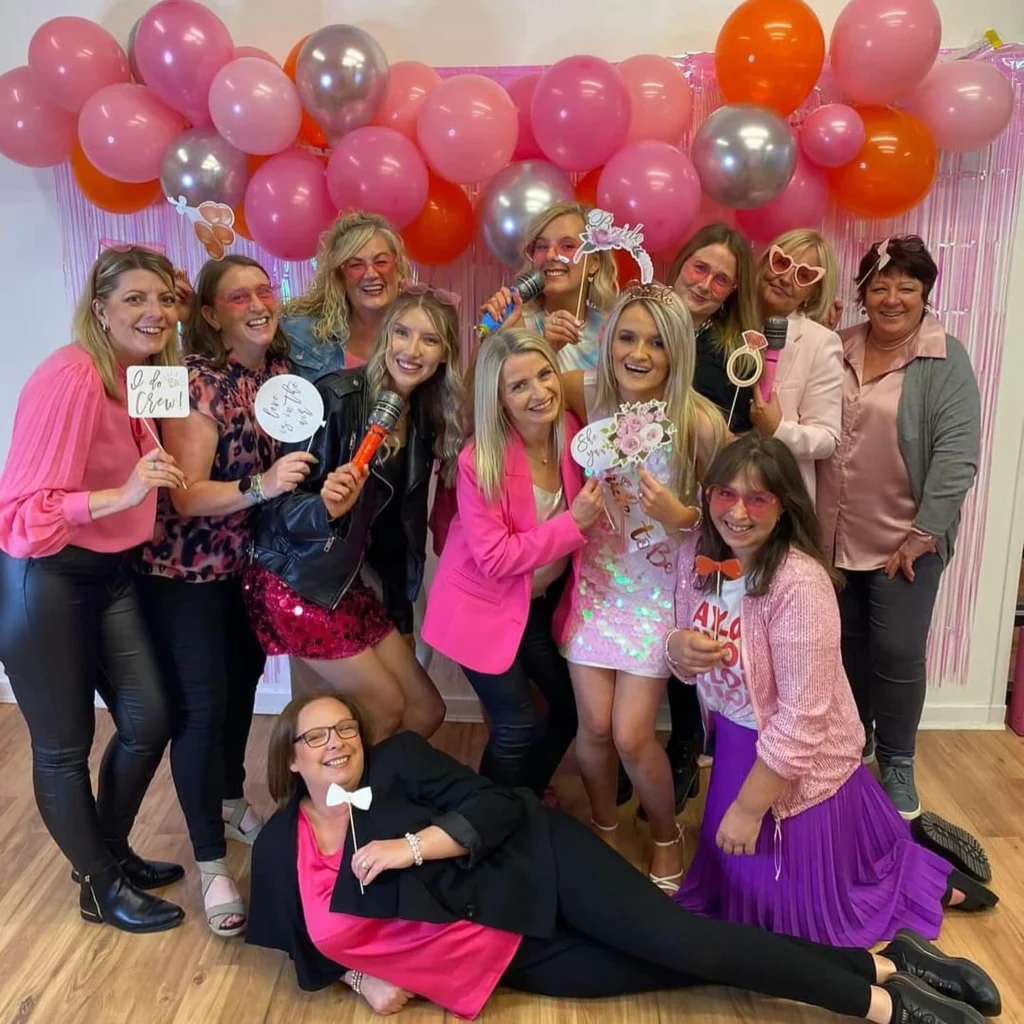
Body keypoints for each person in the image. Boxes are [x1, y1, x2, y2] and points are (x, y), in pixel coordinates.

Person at [246, 691, 1000, 1024]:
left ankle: (885, 1004)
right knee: (690, 965)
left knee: (692, 941)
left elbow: (501, 807)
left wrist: (410, 847)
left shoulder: (399, 762)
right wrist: (359, 977)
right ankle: (885, 961)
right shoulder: (283, 847)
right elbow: (293, 937)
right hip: (507, 962)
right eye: (318, 736)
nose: (338, 742)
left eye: (345, 727)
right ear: (292, 756)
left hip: (540, 868)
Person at [666, 434, 996, 945]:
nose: (737, 512)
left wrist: (749, 808)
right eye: (724, 494)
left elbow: (802, 719)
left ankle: (932, 883)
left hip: (793, 755)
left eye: (757, 498)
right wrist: (677, 647)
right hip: (734, 742)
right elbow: (683, 653)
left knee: (796, 921)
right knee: (735, 896)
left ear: (784, 506)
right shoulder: (696, 555)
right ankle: (912, 858)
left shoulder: (800, 584)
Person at [0, 246, 188, 932]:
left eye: (164, 299)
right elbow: (20, 517)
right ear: (99, 308)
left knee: (150, 717)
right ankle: (99, 887)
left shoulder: (142, 374)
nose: (154, 312)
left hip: (111, 572)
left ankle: (108, 854)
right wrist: (122, 493)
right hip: (46, 575)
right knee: (62, 745)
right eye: (134, 299)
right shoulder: (73, 377)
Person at [135, 255, 317, 937]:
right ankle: (210, 864)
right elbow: (181, 495)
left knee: (240, 689)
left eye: (264, 290)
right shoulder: (191, 381)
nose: (257, 304)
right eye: (236, 297)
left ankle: (234, 799)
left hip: (246, 570)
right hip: (182, 575)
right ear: (209, 314)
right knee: (202, 710)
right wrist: (260, 487)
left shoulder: (278, 373)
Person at [816, 237, 983, 874]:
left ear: (924, 294)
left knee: (897, 650)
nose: (892, 298)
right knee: (847, 645)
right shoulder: (841, 346)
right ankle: (853, 749)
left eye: (906, 287)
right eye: (880, 286)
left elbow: (957, 455)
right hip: (835, 535)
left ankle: (899, 761)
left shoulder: (944, 358)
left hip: (905, 540)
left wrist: (926, 531)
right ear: (863, 292)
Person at [559, 283, 726, 893]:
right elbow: (516, 383)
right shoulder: (587, 393)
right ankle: (603, 829)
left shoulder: (698, 422)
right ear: (609, 343)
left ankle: (664, 831)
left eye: (657, 342)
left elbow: (742, 512)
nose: (640, 353)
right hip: (598, 589)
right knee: (595, 729)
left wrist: (686, 517)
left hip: (659, 597)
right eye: (627, 337)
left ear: (677, 350)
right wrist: (505, 326)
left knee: (632, 733)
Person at [245, 284, 465, 738]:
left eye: (429, 339)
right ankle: (343, 807)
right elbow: (276, 510)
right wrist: (323, 506)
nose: (411, 350)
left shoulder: (424, 416)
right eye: (401, 333)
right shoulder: (336, 398)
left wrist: (400, 618)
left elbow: (398, 534)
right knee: (384, 710)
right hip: (298, 579)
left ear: (445, 354)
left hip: (348, 582)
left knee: (426, 712)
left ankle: (381, 800)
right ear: (385, 338)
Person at [423, 330, 604, 793]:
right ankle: (485, 822)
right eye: (519, 385)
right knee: (517, 725)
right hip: (479, 611)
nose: (539, 392)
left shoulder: (569, 432)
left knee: (568, 707)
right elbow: (496, 558)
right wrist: (574, 522)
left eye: (545, 374)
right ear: (498, 398)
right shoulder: (478, 459)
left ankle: (522, 801)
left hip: (533, 604)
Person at [749, 229, 843, 504]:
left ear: (812, 293)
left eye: (804, 275)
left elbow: (826, 439)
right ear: (766, 261)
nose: (786, 277)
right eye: (781, 262)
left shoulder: (821, 343)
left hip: (778, 495)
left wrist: (777, 428)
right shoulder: (726, 322)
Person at [479, 200, 618, 371]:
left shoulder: (613, 327)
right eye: (542, 246)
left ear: (593, 264)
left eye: (567, 246)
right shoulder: (514, 325)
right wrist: (546, 348)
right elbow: (475, 393)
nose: (551, 255)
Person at [281, 211, 411, 379]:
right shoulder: (299, 331)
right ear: (340, 276)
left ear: (398, 269)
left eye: (381, 262)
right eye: (356, 265)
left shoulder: (420, 335)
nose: (370, 274)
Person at [669, 222, 760, 433]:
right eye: (700, 269)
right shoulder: (637, 318)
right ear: (683, 260)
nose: (704, 285)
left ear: (733, 289)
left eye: (721, 279)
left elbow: (736, 437)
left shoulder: (738, 359)